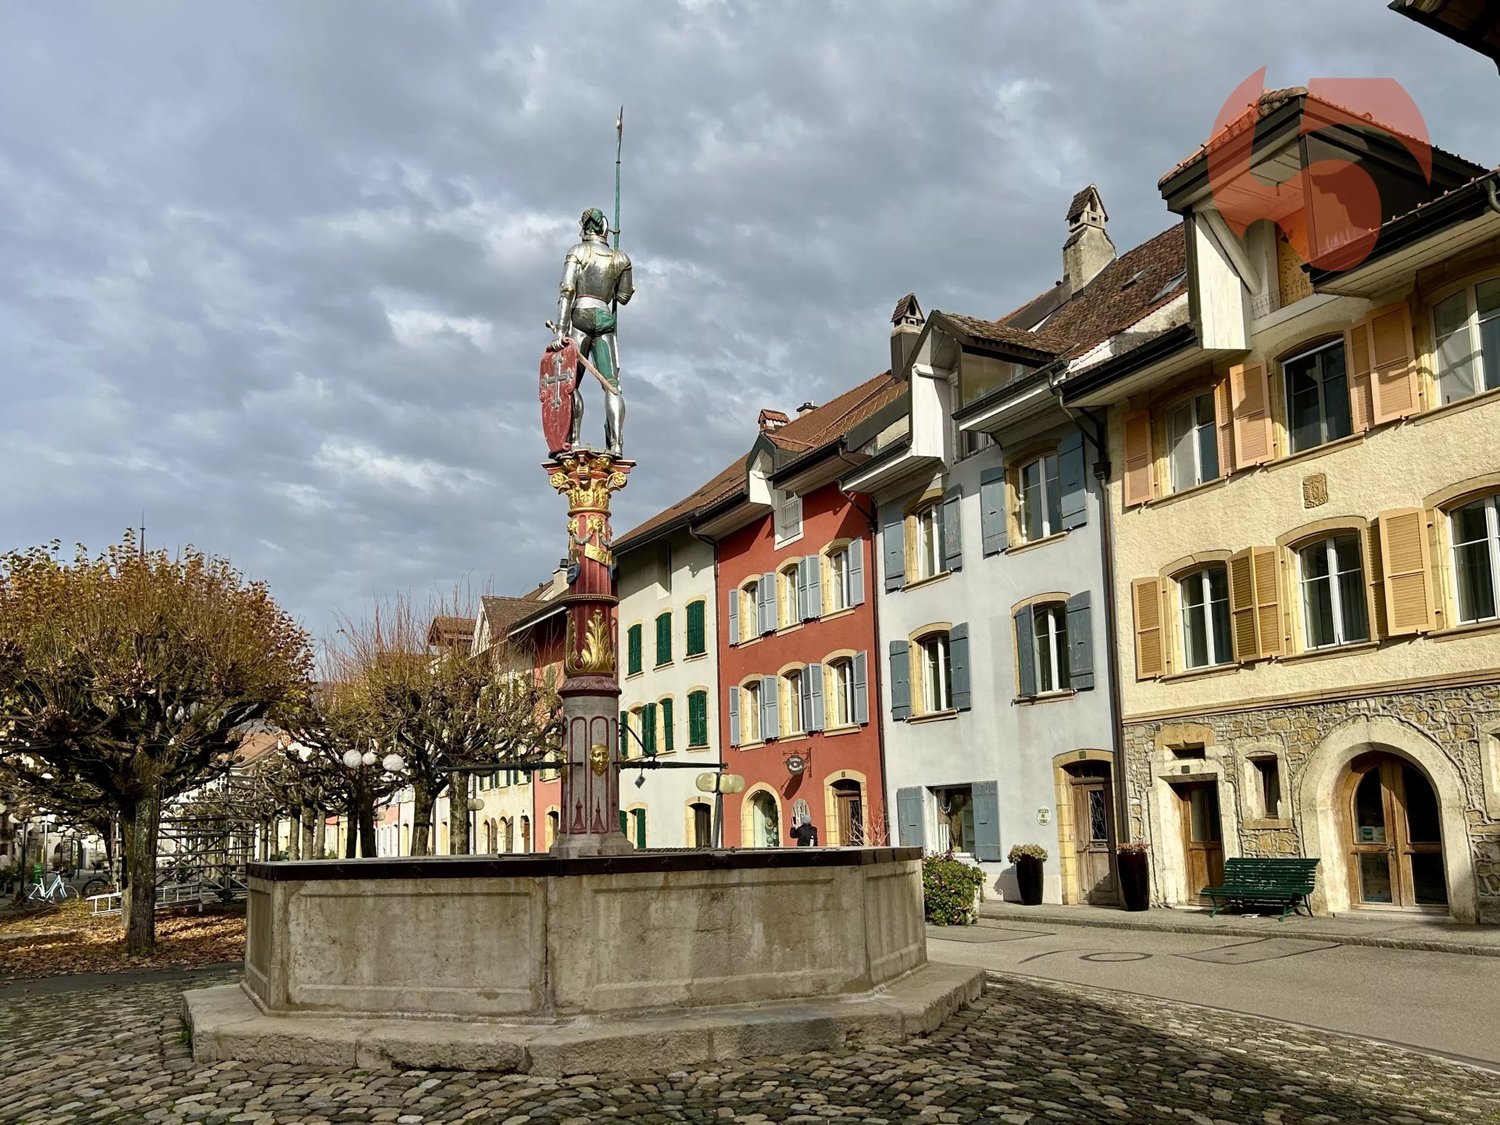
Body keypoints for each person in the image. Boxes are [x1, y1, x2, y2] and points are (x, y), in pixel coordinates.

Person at [555, 207, 634, 456]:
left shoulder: (577, 251)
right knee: (612, 386)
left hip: (580, 315)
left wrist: (560, 330)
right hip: (604, 316)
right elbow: (623, 297)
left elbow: (567, 290)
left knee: (571, 383)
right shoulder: (620, 258)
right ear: (604, 228)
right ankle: (616, 444)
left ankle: (574, 440)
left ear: (584, 227)